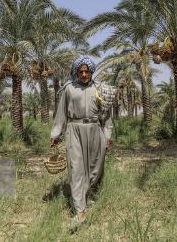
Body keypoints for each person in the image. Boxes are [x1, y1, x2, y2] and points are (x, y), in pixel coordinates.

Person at [50, 56, 112, 232]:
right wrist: (55, 134)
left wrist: (107, 135)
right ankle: (80, 210)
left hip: (95, 130)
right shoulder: (69, 89)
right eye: (80, 71)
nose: (84, 74)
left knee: (95, 167)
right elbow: (61, 114)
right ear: (76, 72)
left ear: (91, 72)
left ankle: (88, 193)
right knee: (76, 168)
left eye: (86, 71)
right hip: (74, 130)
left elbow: (107, 116)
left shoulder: (100, 89)